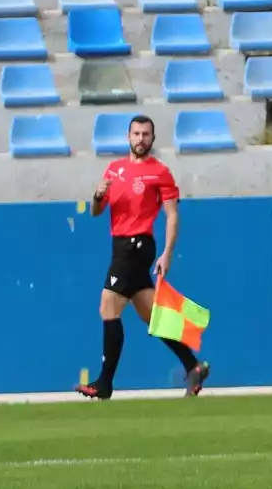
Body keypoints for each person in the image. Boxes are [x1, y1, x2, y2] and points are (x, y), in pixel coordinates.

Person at [77, 115, 208, 400]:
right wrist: (98, 196)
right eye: (136, 134)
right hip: (120, 245)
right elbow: (95, 212)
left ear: (152, 138)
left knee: (107, 306)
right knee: (152, 316)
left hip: (136, 245)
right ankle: (193, 365)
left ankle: (104, 384)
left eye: (146, 134)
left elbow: (172, 215)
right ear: (128, 137)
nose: (140, 139)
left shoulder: (159, 172)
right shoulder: (114, 170)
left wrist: (167, 253)